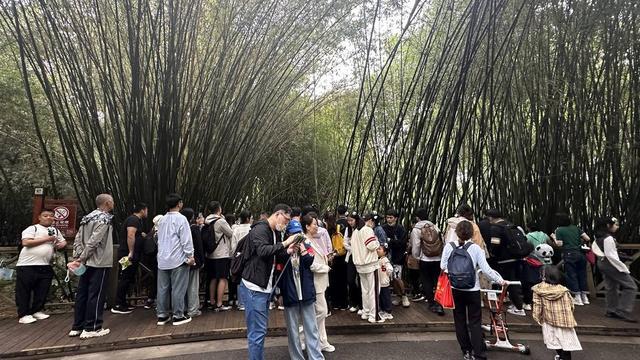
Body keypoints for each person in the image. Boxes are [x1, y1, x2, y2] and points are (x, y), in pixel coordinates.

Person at [240, 204, 299, 360]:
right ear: (278, 214)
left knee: (259, 331)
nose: (286, 223)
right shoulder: (260, 229)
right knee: (257, 333)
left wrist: (288, 250)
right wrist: (286, 243)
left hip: (264, 287)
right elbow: (263, 251)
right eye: (286, 220)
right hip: (255, 287)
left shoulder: (275, 232)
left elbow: (275, 254)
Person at [441, 220, 505, 360]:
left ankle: (466, 351)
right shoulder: (476, 249)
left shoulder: (448, 247)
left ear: (456, 232)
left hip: (455, 288)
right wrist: (500, 281)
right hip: (472, 289)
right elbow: (486, 270)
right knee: (475, 322)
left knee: (460, 320)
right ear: (471, 233)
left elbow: (443, 267)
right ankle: (479, 354)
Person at [67, 194, 115, 339]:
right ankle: (92, 327)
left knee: (82, 293)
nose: (113, 203)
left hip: (85, 261)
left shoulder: (87, 217)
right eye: (112, 201)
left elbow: (77, 238)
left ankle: (77, 326)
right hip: (98, 262)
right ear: (107, 203)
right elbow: (94, 241)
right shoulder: (104, 218)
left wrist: (78, 257)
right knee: (96, 294)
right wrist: (82, 258)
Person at [15, 209, 67, 324]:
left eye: (51, 216)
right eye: (45, 216)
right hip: (27, 264)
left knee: (42, 289)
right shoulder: (32, 228)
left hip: (45, 264)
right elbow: (26, 242)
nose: (48, 218)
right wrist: (47, 239)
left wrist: (61, 244)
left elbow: (63, 242)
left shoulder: (55, 230)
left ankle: (36, 310)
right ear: (39, 217)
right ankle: (23, 314)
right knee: (24, 290)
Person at [156, 193, 195, 326]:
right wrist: (190, 256)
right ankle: (178, 316)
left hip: (162, 259)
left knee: (162, 288)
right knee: (178, 288)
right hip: (178, 259)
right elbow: (186, 240)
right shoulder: (181, 219)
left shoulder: (162, 220)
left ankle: (162, 315)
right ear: (179, 204)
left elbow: (158, 239)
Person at [591, 216, 637, 323]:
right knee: (631, 287)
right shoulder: (608, 238)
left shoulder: (598, 236)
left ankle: (611, 310)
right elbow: (611, 256)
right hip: (611, 263)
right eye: (615, 224)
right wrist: (623, 268)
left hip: (602, 262)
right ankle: (623, 310)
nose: (617, 227)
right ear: (608, 225)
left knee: (611, 286)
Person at [532, 265, 583, 360]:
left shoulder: (538, 290)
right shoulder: (563, 290)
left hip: (549, 320)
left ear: (543, 276)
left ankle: (560, 357)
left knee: (555, 342)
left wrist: (538, 319)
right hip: (566, 321)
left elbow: (537, 307)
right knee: (566, 344)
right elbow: (571, 305)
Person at [484, 209, 526, 316]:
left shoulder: (496, 228)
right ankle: (521, 303)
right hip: (517, 257)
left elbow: (495, 244)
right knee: (516, 281)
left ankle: (518, 307)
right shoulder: (511, 225)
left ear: (490, 217)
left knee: (510, 282)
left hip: (505, 259)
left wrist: (492, 254)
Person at [305, 214, 335, 353]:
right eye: (314, 224)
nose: (317, 226)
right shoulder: (305, 241)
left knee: (320, 312)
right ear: (307, 226)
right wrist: (325, 268)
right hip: (315, 281)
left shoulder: (314, 239)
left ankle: (321, 341)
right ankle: (305, 335)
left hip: (321, 281)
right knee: (321, 311)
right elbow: (310, 264)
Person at [112, 203, 148, 314]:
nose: (147, 212)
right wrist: (131, 252)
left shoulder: (135, 220)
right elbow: (130, 235)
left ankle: (123, 302)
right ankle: (118, 304)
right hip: (127, 255)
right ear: (142, 210)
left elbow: (135, 234)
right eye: (146, 210)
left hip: (130, 254)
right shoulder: (133, 220)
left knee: (128, 278)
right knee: (125, 277)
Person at [410, 208, 445, 315]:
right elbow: (442, 241)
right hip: (437, 258)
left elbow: (415, 246)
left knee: (426, 281)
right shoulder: (435, 227)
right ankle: (439, 303)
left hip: (425, 259)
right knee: (437, 281)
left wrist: (417, 257)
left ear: (417, 217)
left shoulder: (416, 229)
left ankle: (431, 303)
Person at [551, 213, 590, 306]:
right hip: (580, 253)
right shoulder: (576, 228)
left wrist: (554, 237)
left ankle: (577, 298)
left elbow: (559, 244)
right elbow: (587, 238)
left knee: (572, 274)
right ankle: (585, 298)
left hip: (569, 254)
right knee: (582, 274)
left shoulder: (559, 230)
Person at [352, 212, 382, 323]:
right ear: (370, 221)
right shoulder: (368, 230)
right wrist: (377, 242)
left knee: (364, 290)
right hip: (370, 264)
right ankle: (374, 315)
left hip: (359, 264)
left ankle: (366, 312)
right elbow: (371, 245)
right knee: (373, 290)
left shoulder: (355, 231)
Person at [204, 201, 234, 311]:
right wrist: (224, 219)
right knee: (222, 278)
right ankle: (219, 303)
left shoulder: (207, 220)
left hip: (210, 254)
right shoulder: (221, 221)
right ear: (219, 209)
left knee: (212, 278)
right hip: (221, 254)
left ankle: (212, 301)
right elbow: (231, 233)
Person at [382, 209, 410, 308]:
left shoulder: (400, 229)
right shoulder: (383, 228)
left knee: (397, 277)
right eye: (387, 217)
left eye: (391, 217)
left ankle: (404, 295)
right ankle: (398, 297)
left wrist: (391, 241)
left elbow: (403, 243)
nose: (389, 219)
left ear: (396, 218)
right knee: (392, 279)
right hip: (385, 257)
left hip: (398, 257)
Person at [181, 207, 205, 318]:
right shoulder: (194, 228)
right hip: (194, 260)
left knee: (182, 286)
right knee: (193, 286)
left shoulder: (180, 227)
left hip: (181, 260)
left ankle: (184, 308)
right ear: (192, 217)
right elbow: (199, 246)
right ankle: (193, 309)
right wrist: (202, 260)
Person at [230, 210, 252, 310]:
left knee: (240, 279)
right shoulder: (252, 229)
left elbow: (233, 246)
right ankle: (249, 302)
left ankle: (241, 303)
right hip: (250, 257)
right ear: (248, 218)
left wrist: (234, 256)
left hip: (238, 256)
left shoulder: (236, 230)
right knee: (250, 279)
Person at [329, 205, 349, 310]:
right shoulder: (349, 224)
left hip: (334, 255)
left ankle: (335, 303)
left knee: (335, 280)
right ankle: (344, 303)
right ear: (346, 212)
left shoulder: (333, 224)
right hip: (345, 256)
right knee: (343, 280)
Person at [142, 214, 163, 309]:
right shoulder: (160, 232)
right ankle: (160, 302)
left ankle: (151, 299)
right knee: (161, 281)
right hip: (160, 260)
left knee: (155, 279)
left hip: (152, 260)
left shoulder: (152, 232)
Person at [345, 211, 362, 313]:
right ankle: (353, 302)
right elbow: (345, 242)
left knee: (361, 281)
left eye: (352, 220)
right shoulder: (348, 229)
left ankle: (362, 305)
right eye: (349, 221)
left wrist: (355, 247)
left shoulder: (361, 229)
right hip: (351, 255)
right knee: (350, 280)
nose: (350, 222)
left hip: (360, 257)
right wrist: (353, 248)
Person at [377, 244, 393, 320]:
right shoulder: (380, 259)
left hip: (384, 282)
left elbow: (390, 269)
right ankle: (383, 310)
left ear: (385, 252)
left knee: (386, 297)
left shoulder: (385, 261)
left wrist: (387, 274)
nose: (377, 250)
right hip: (380, 282)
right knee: (381, 297)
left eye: (380, 249)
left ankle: (388, 311)